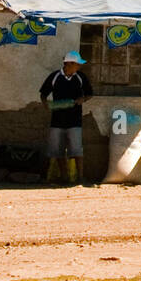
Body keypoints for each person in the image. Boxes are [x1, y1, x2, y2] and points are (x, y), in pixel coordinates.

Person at [39, 51, 93, 184]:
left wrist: (83, 99)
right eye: (77, 64)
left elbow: (89, 93)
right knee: (57, 151)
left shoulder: (80, 77)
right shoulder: (55, 77)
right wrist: (46, 104)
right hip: (57, 120)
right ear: (69, 64)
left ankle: (79, 178)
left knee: (76, 150)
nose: (79, 67)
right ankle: (64, 177)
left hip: (75, 120)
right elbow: (43, 93)